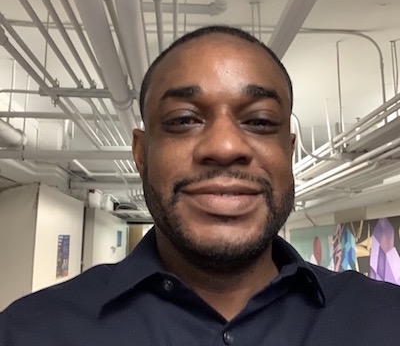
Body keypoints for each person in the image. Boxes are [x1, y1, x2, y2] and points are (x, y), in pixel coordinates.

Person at [1, 25, 399, 345]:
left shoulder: (386, 320)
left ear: (288, 152)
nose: (225, 147)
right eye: (183, 120)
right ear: (141, 154)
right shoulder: (28, 332)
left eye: (260, 121)